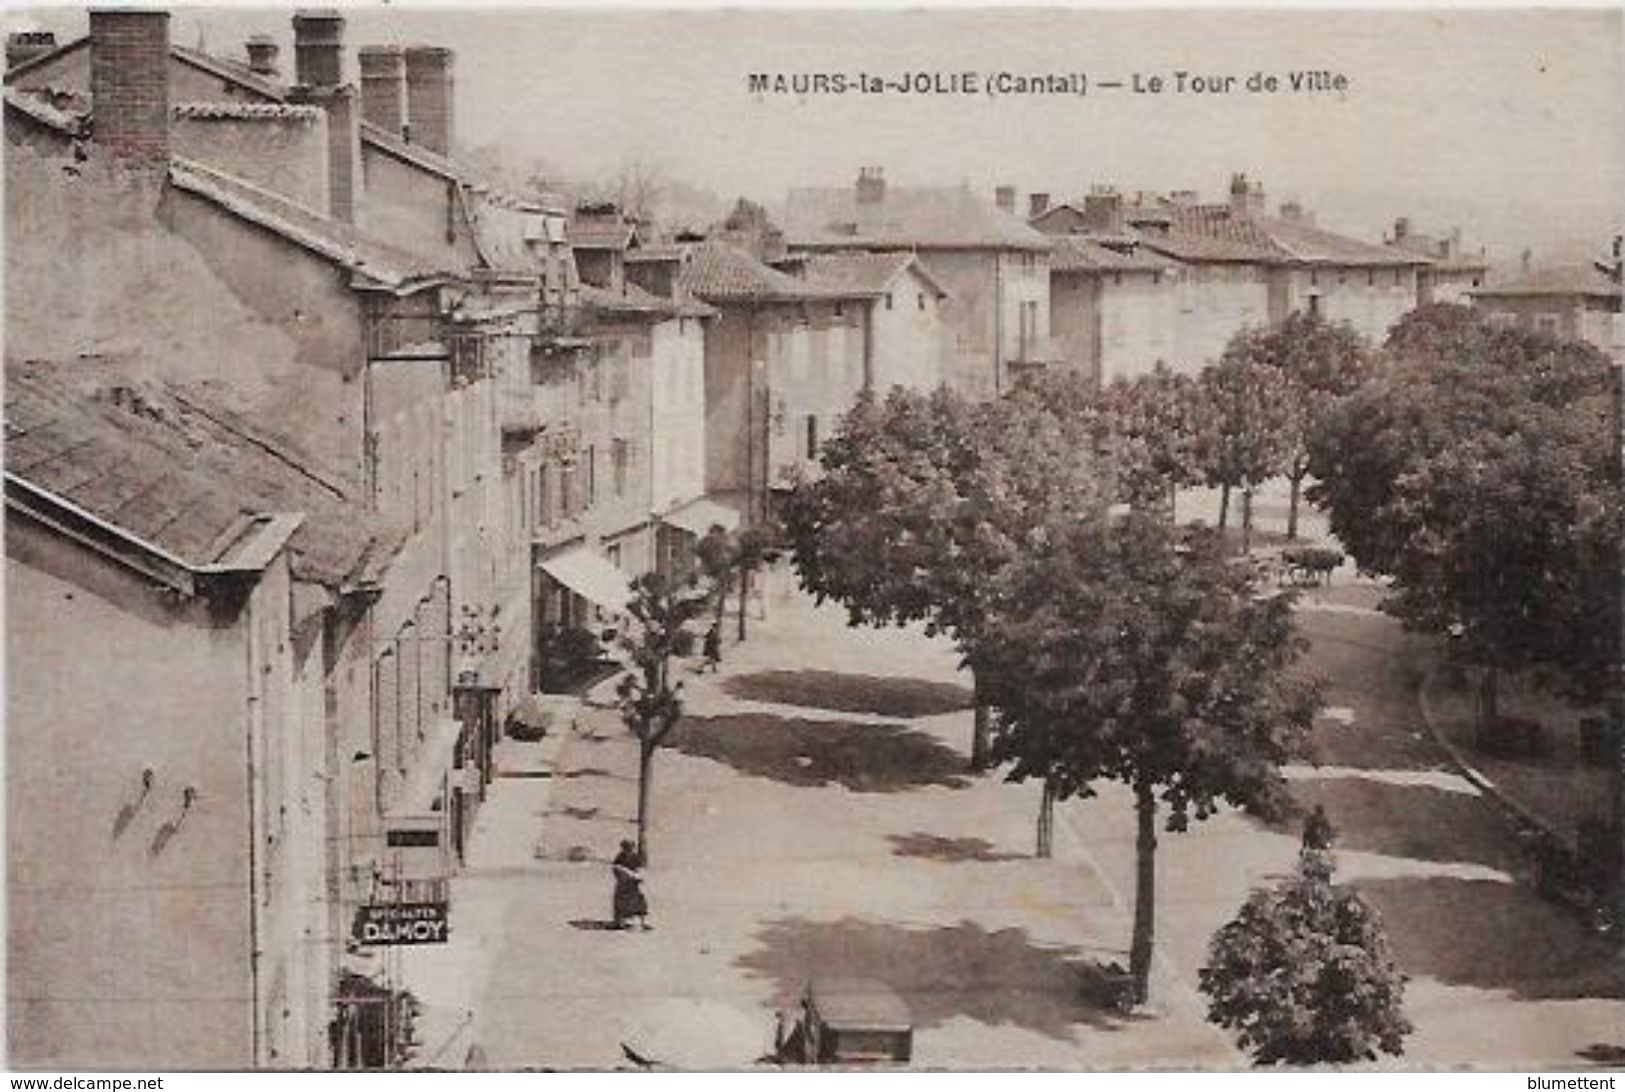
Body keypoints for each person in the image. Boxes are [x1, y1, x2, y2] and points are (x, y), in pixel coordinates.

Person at [612, 839, 650, 930]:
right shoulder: (620, 857)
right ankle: (619, 922)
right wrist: (622, 874)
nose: (628, 849)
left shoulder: (635, 857)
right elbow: (615, 869)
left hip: (632, 885)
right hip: (622, 884)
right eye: (626, 847)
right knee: (620, 903)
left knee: (638, 902)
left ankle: (641, 922)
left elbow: (639, 869)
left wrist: (636, 876)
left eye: (630, 847)